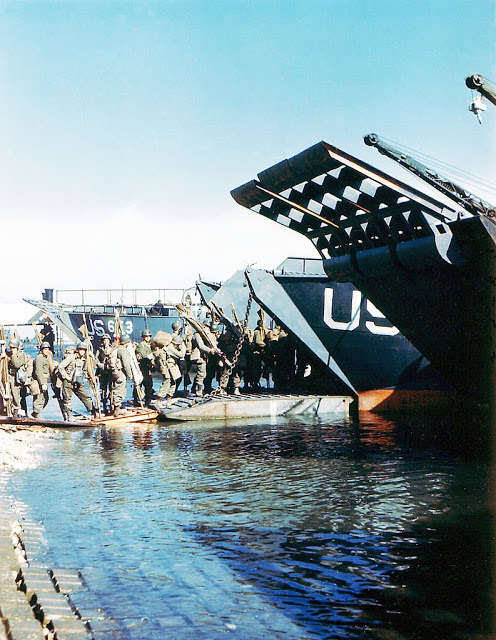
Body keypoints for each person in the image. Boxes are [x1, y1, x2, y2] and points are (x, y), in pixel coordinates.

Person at [58, 342, 97, 421]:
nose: (82, 352)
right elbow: (60, 367)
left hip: (78, 381)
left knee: (85, 397)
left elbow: (87, 369)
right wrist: (66, 377)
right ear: (77, 350)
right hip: (68, 382)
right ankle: (69, 415)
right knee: (67, 398)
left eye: (83, 350)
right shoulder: (71, 358)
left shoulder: (84, 360)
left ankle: (93, 412)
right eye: (80, 350)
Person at [1, 338, 32, 417]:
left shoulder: (21, 355)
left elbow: (16, 364)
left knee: (16, 397)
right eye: (11, 348)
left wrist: (13, 355)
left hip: (17, 380)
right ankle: (8, 413)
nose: (12, 349)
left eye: (14, 348)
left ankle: (15, 414)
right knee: (8, 396)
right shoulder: (9, 354)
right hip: (9, 377)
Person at [111, 334, 136, 415]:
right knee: (120, 389)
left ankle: (113, 407)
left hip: (113, 372)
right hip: (120, 372)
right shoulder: (124, 350)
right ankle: (117, 409)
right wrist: (130, 375)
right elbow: (126, 364)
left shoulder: (116, 348)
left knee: (115, 388)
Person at [31, 342, 55, 418]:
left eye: (48, 349)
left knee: (45, 398)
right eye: (45, 349)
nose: (47, 350)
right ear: (41, 350)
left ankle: (36, 412)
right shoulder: (39, 358)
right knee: (39, 397)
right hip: (39, 380)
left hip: (44, 380)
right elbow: (38, 372)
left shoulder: (46, 357)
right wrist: (42, 383)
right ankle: (36, 413)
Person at [135, 329, 155, 405]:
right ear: (143, 337)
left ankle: (147, 401)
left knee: (149, 385)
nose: (147, 337)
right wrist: (151, 356)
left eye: (149, 336)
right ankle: (136, 400)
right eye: (146, 336)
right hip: (142, 366)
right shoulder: (141, 345)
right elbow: (144, 355)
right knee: (140, 384)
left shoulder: (149, 345)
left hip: (147, 367)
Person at [95, 334, 113, 412]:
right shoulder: (99, 350)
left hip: (110, 372)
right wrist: (100, 365)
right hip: (102, 372)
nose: (106, 342)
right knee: (103, 390)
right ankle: (104, 405)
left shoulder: (112, 349)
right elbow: (96, 360)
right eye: (104, 340)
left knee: (112, 389)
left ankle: (112, 405)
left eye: (107, 340)